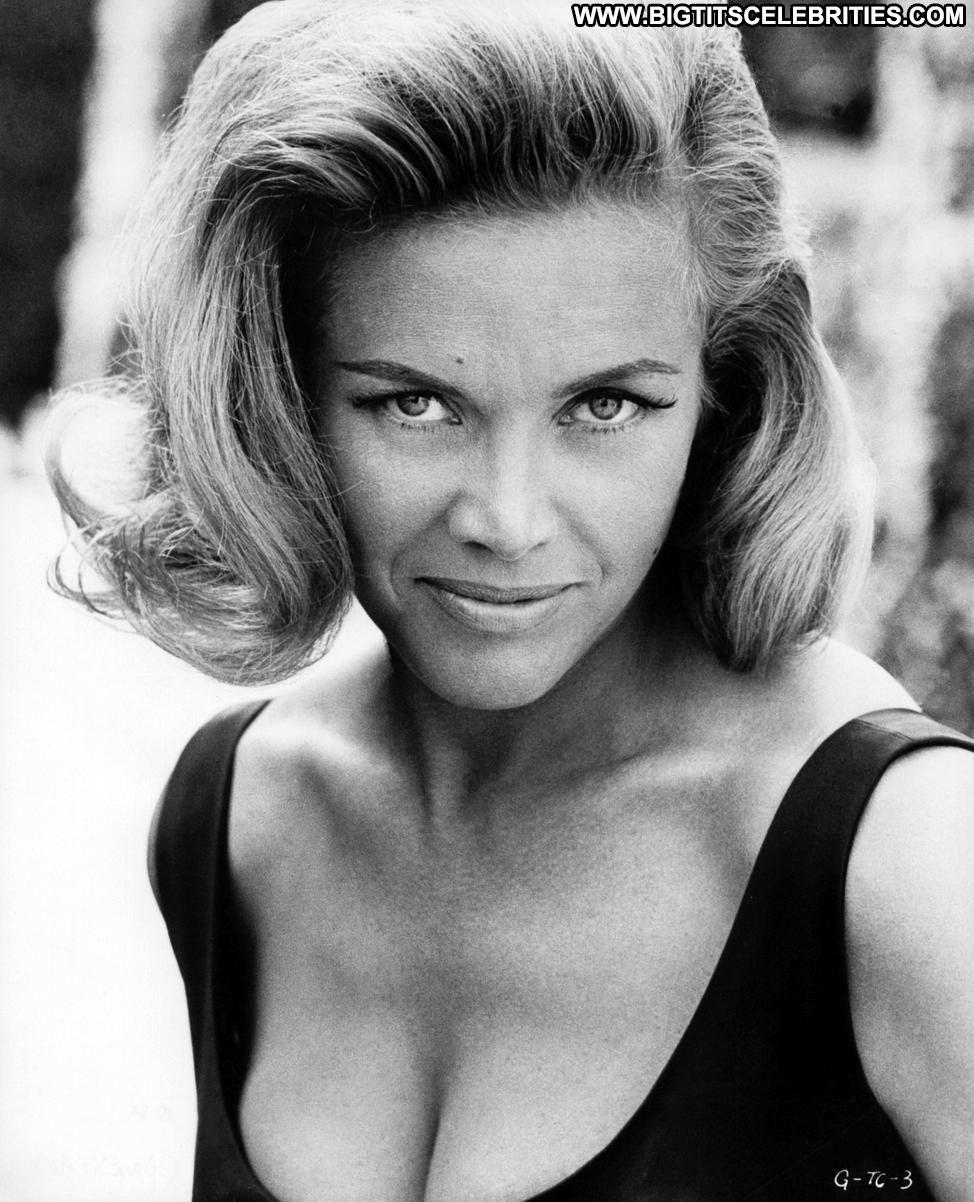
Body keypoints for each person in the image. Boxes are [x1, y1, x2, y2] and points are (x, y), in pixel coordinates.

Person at [46, 2, 974, 1200]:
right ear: (274, 392)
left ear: (724, 389)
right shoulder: (239, 810)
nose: (508, 517)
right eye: (414, 403)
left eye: (605, 405)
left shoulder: (905, 860)